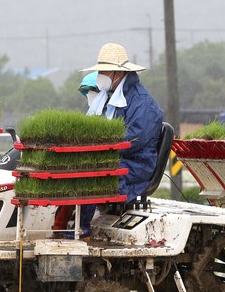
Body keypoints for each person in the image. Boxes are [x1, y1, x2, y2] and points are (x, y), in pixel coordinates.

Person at [55, 43, 164, 240]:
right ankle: (61, 225)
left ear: (116, 73)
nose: (99, 77)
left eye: (103, 72)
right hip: (116, 158)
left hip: (135, 165)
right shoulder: (107, 96)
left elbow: (133, 141)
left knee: (92, 171)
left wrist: (99, 150)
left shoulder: (143, 103)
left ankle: (83, 229)